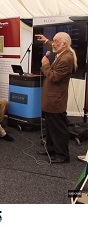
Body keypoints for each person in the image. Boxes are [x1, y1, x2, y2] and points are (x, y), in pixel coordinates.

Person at [36, 32, 77, 163]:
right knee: (50, 127)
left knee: (58, 129)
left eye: (56, 41)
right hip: (51, 99)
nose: (53, 44)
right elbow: (54, 48)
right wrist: (46, 41)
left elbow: (54, 78)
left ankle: (63, 155)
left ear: (64, 44)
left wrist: (45, 65)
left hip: (56, 100)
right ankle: (51, 150)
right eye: (53, 40)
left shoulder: (67, 58)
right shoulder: (63, 53)